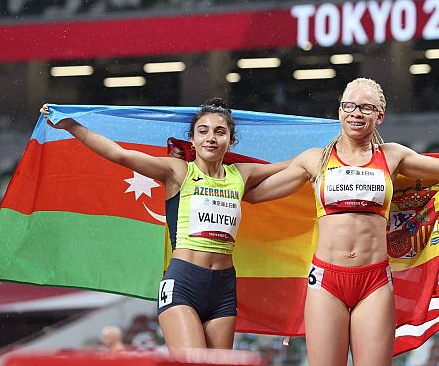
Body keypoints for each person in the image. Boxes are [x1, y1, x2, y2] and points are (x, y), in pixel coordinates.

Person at [240, 78, 439, 366]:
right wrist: (217, 168)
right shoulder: (314, 160)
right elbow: (253, 195)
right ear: (339, 111)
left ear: (380, 115)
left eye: (365, 108)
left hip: (374, 281)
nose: (355, 113)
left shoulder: (392, 156)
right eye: (348, 106)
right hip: (327, 281)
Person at [41, 98, 286, 354]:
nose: (211, 137)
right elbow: (120, 155)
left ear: (231, 141)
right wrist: (71, 125)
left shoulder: (242, 174)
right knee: (194, 362)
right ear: (192, 139)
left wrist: (328, 148)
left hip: (224, 288)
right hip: (183, 283)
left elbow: (295, 167)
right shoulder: (178, 171)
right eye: (203, 131)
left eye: (220, 132)